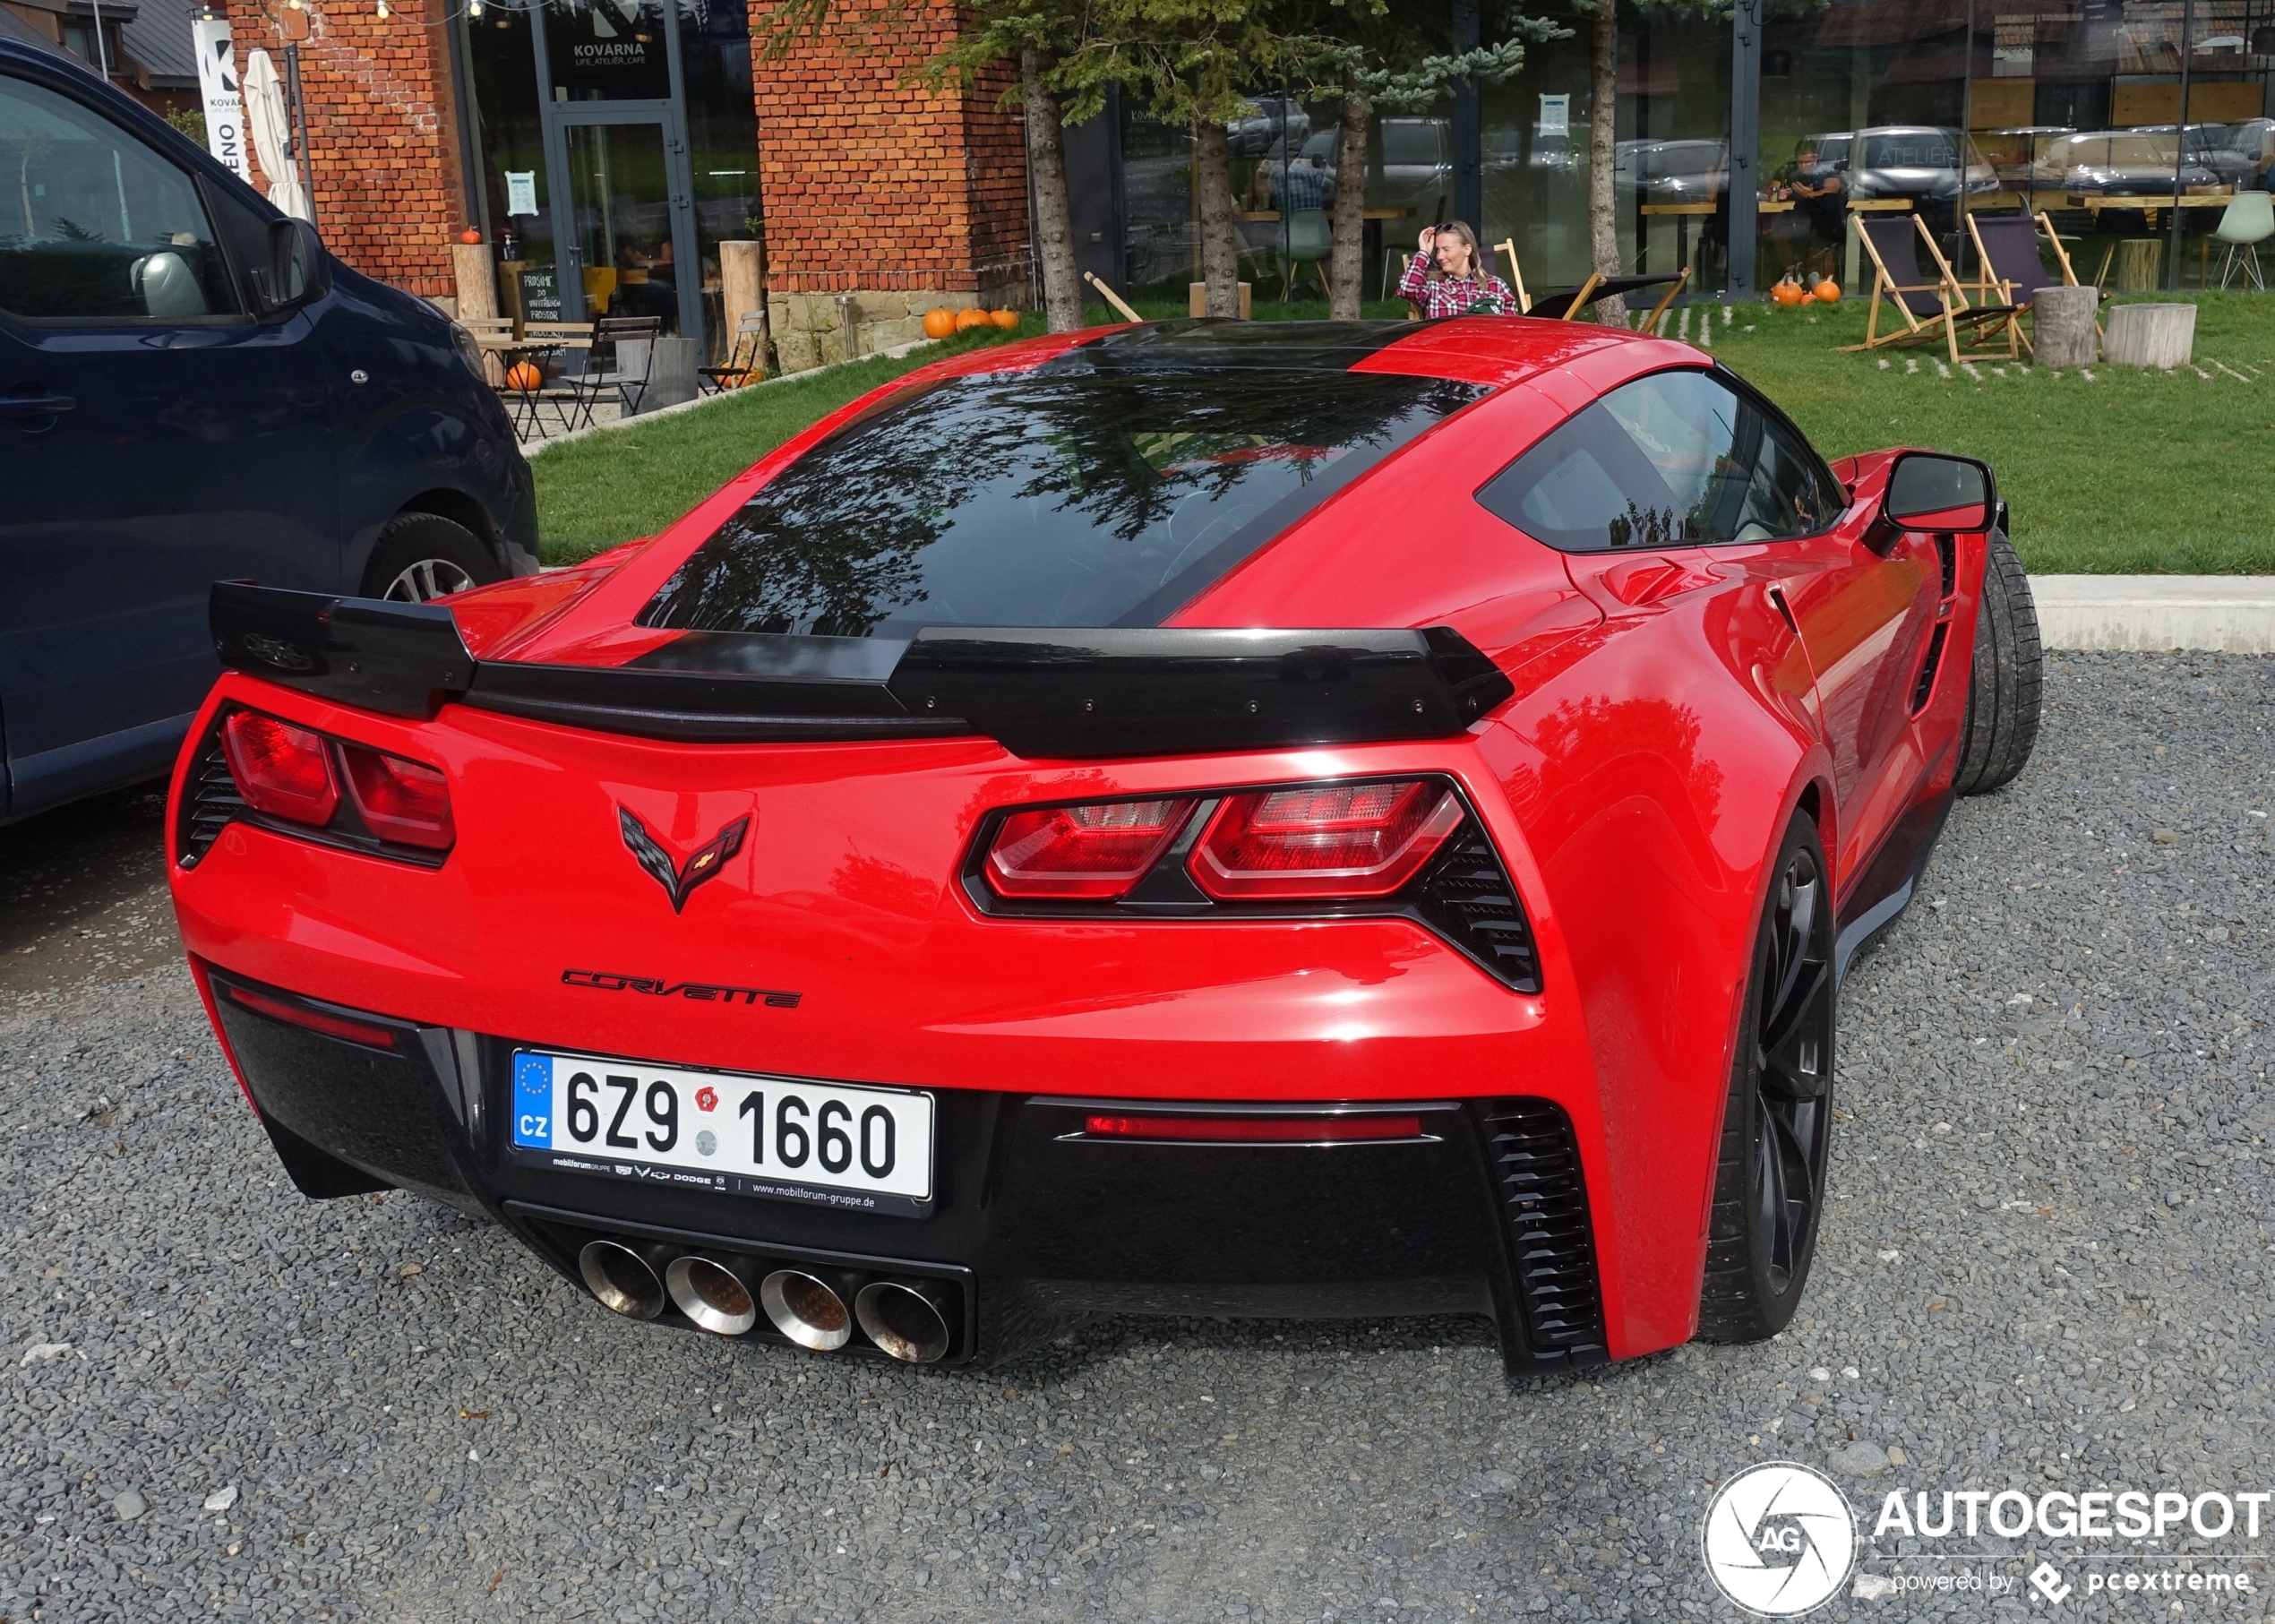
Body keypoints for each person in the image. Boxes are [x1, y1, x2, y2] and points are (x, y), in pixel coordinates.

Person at [1395, 220, 1518, 317]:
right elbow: (1407, 289)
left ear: (1467, 249)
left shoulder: (1496, 286)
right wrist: (1424, 252)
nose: (1439, 257)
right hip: (1445, 347)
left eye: (1446, 249)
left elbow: (1511, 331)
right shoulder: (1433, 286)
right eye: (1437, 250)